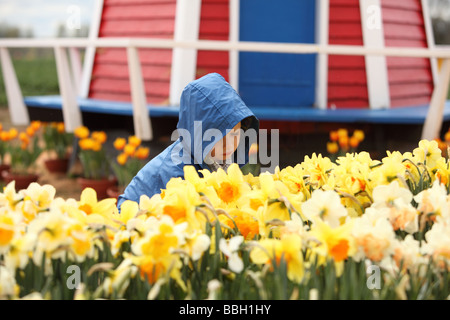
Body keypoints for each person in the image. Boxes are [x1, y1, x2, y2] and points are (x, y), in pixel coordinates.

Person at [117, 73, 259, 210]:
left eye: (235, 134)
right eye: (219, 136)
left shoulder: (220, 158)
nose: (229, 144)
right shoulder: (176, 172)